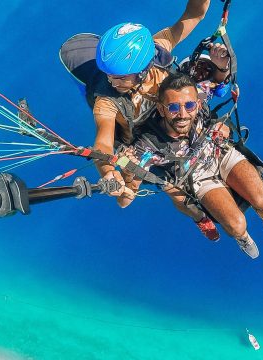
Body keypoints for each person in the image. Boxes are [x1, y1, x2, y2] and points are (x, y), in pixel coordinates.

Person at [60, 0, 231, 241]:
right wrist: (109, 172)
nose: (111, 82)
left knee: (217, 132)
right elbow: (103, 142)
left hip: (172, 123)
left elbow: (193, 14)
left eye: (119, 77)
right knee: (151, 194)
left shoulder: (157, 50)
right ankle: (198, 217)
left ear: (142, 70)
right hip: (143, 145)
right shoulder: (106, 101)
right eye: (108, 75)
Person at [119, 73, 263, 259]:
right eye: (173, 108)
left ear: (197, 104)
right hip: (197, 178)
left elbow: (221, 80)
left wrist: (221, 63)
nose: (182, 115)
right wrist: (126, 168)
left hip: (220, 155)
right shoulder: (147, 144)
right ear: (161, 109)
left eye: (189, 106)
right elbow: (124, 201)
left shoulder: (200, 100)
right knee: (237, 226)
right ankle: (243, 237)